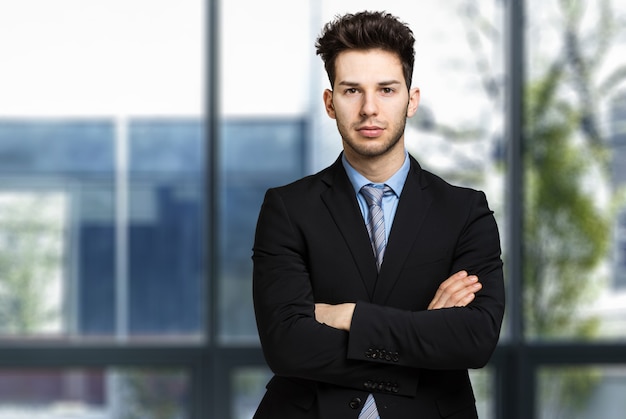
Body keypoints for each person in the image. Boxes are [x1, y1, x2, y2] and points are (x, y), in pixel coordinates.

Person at [252, 10, 505, 419]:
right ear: (330, 103)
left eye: (386, 89)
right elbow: (287, 345)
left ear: (412, 99)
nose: (369, 108)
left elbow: (474, 339)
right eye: (352, 91)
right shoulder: (288, 208)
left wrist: (346, 315)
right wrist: (422, 334)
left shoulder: (464, 211)